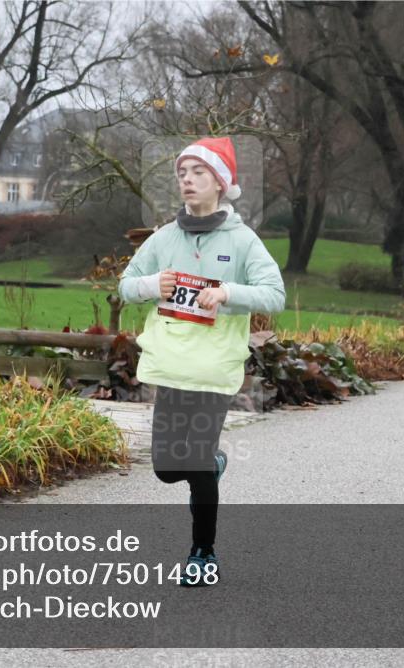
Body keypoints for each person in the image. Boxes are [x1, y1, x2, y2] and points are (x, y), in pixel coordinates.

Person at [117, 136, 286, 586]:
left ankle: (202, 553)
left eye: (199, 172)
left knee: (192, 461)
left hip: (213, 371)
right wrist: (154, 284)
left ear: (221, 182)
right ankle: (211, 466)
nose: (187, 181)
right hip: (170, 367)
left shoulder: (243, 241)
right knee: (168, 469)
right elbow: (126, 286)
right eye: (182, 173)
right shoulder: (164, 238)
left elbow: (275, 294)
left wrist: (227, 293)